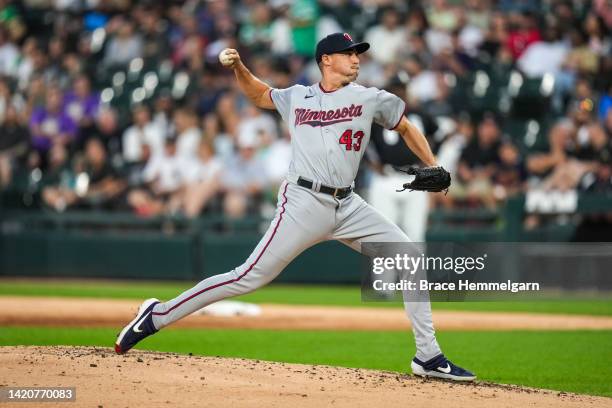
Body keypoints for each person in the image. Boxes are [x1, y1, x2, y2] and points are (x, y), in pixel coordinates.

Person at [114, 32, 475, 382]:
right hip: (303, 202)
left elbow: (406, 127)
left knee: (409, 258)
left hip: (348, 204)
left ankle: (427, 355)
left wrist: (432, 164)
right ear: (326, 60)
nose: (356, 59)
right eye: (349, 53)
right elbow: (259, 95)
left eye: (358, 53)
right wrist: (239, 66)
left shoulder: (370, 98)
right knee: (246, 277)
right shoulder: (298, 96)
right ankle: (157, 314)